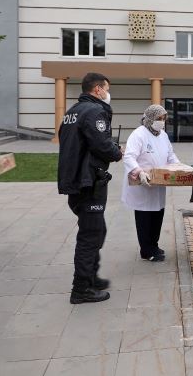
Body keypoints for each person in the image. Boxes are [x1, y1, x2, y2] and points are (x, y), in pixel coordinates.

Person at [58, 72, 123, 304]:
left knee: (97, 231)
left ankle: (91, 277)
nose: (108, 93)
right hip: (88, 181)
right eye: (106, 88)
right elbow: (102, 145)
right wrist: (117, 151)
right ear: (97, 89)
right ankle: (81, 289)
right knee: (90, 235)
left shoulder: (72, 112)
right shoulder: (95, 111)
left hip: (75, 180)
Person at [122, 104, 178, 262]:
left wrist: (179, 167)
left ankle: (154, 244)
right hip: (143, 183)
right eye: (159, 118)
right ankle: (146, 250)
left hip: (158, 183)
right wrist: (139, 172)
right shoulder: (138, 134)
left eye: (164, 118)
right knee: (145, 218)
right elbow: (129, 156)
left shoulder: (163, 135)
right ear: (150, 119)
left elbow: (171, 155)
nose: (162, 121)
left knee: (157, 215)